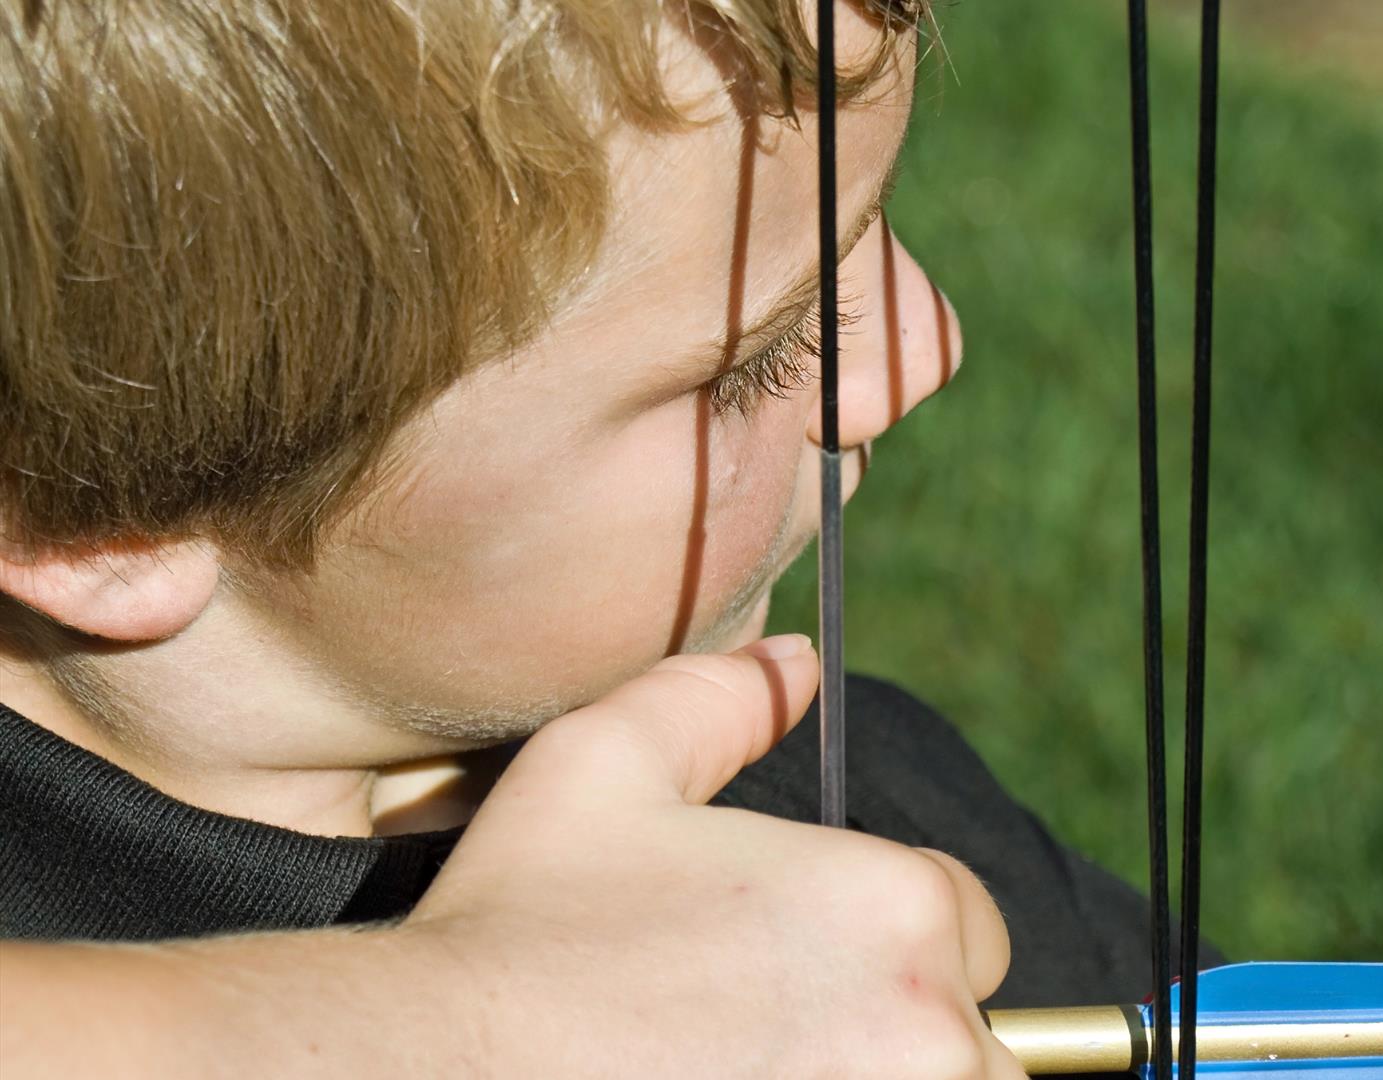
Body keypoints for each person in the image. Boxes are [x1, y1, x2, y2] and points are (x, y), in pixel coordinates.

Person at [0, 2, 1202, 1075]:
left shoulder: (861, 804)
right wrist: (476, 1027)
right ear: (85, 513)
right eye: (761, 358)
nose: (927, 347)